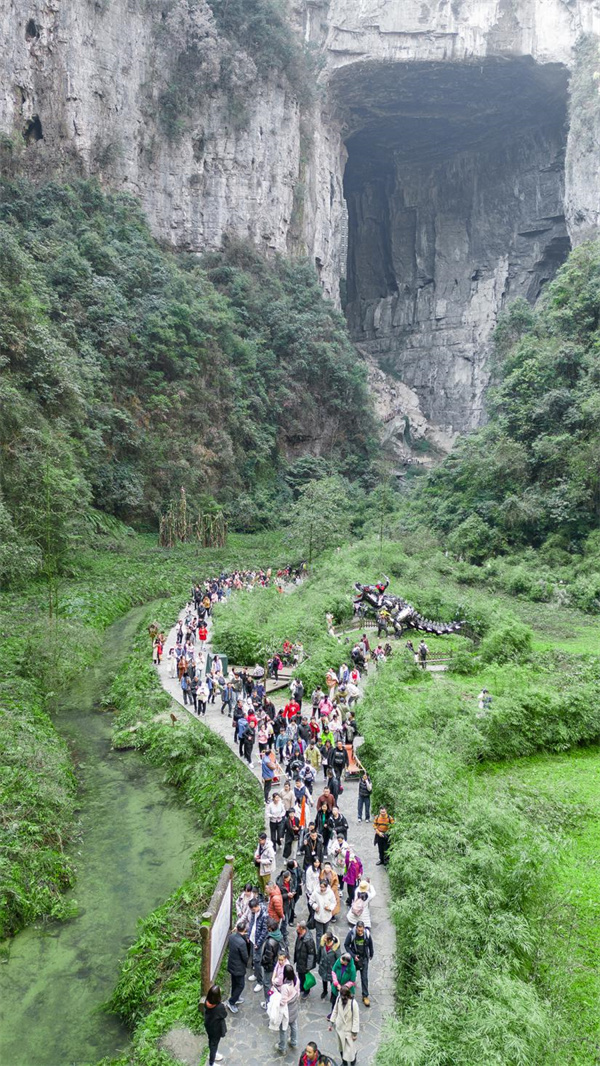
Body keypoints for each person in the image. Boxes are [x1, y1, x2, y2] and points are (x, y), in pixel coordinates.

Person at [344, 921, 374, 1007]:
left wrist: (371, 954)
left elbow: (370, 945)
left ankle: (365, 996)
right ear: (356, 928)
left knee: (364, 978)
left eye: (361, 930)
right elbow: (346, 945)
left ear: (364, 928)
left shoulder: (367, 935)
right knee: (351, 976)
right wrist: (353, 956)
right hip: (354, 959)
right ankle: (347, 992)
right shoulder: (351, 934)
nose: (360, 932)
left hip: (364, 958)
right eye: (358, 930)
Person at [329, 986, 360, 1065]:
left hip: (348, 1031)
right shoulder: (339, 999)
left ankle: (353, 1062)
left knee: (350, 1051)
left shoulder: (353, 1004)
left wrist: (354, 1033)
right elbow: (335, 1010)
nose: (343, 998)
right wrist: (331, 1023)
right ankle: (344, 1063)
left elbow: (356, 1019)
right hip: (340, 1029)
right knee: (341, 1048)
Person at [275, 963, 300, 1054]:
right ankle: (293, 1042)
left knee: (283, 1029)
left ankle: (282, 1047)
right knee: (294, 1025)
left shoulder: (285, 987)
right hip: (294, 1008)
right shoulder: (296, 980)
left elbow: (283, 1001)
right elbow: (298, 992)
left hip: (287, 1011)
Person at [260, 918, 284, 1008]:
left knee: (267, 984)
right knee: (273, 984)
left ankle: (269, 1002)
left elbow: (268, 957)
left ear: (270, 928)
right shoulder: (279, 935)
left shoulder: (270, 942)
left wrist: (262, 960)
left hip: (270, 966)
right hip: (276, 964)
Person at [226, 920, 249, 1013]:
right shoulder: (242, 943)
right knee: (241, 985)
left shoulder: (231, 937)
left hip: (231, 964)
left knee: (234, 983)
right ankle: (231, 1002)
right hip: (239, 967)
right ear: (244, 930)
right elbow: (245, 956)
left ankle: (235, 996)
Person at [201, 984, 227, 1065]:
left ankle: (213, 1053)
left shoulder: (206, 1002)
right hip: (216, 1030)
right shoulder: (219, 1007)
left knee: (211, 1041)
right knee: (214, 1045)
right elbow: (224, 1015)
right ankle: (211, 1062)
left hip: (209, 1026)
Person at [247, 897, 269, 993]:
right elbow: (252, 923)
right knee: (254, 958)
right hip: (252, 938)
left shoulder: (264, 914)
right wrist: (248, 935)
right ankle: (256, 974)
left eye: (253, 909)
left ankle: (260, 982)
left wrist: (258, 943)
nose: (252, 911)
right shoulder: (254, 912)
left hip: (257, 941)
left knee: (257, 960)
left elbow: (264, 931)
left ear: (256, 906)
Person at [293, 920, 317, 998]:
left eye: (298, 927)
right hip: (300, 960)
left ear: (302, 928)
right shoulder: (300, 934)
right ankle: (302, 988)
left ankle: (306, 990)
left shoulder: (308, 940)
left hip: (305, 963)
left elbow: (311, 954)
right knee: (301, 976)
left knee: (305, 977)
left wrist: (308, 967)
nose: (296, 928)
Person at [317, 930, 340, 1000]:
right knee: (324, 979)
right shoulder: (322, 945)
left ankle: (333, 995)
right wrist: (318, 961)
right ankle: (325, 991)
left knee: (332, 982)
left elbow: (338, 959)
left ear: (329, 940)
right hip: (323, 966)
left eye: (325, 937)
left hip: (331, 968)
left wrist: (337, 969)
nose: (323, 938)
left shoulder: (335, 948)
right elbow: (319, 953)